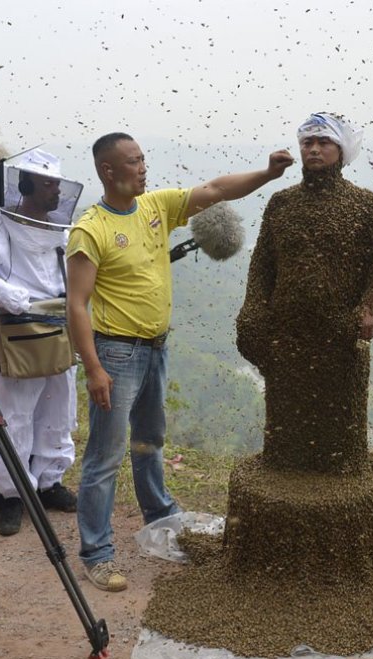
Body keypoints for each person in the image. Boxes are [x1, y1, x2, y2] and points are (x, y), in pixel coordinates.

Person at [66, 132, 294, 591]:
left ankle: (159, 517)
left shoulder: (155, 207)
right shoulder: (90, 229)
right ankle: (97, 554)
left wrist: (268, 174)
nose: (143, 168)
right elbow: (76, 304)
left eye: (144, 158)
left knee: (150, 440)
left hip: (155, 348)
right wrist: (93, 369)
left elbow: (216, 190)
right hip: (117, 352)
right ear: (108, 171)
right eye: (133, 162)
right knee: (104, 458)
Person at [236, 112, 373, 473]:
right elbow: (262, 265)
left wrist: (368, 307)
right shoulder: (281, 204)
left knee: (340, 440)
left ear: (340, 151)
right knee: (286, 434)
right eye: (307, 142)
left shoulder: (364, 204)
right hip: (287, 334)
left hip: (341, 335)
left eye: (323, 142)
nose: (314, 149)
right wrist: (251, 311)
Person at [0, 149, 83, 536]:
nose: (55, 192)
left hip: (59, 328)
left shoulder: (62, 230)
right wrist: (15, 298)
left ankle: (49, 483)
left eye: (57, 184)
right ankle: (13, 494)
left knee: (58, 409)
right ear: (25, 185)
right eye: (48, 184)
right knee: (14, 415)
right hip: (18, 331)